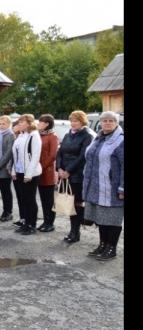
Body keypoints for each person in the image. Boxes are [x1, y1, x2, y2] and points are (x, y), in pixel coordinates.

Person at [82, 111, 124, 261]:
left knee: (112, 219)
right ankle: (103, 245)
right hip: (96, 187)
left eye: (111, 120)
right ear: (100, 122)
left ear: (116, 123)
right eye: (105, 120)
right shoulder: (98, 138)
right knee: (101, 218)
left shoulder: (121, 140)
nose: (107, 123)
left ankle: (111, 249)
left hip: (112, 189)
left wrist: (122, 188)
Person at [56, 110, 94, 244]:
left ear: (82, 122)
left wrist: (69, 170)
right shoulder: (67, 135)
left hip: (77, 175)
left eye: (76, 121)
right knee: (69, 203)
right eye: (71, 121)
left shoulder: (87, 136)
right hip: (64, 174)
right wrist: (59, 168)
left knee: (77, 202)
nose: (73, 123)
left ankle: (75, 231)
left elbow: (83, 156)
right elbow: (60, 153)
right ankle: (73, 231)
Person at [11, 114, 42, 236]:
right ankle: (26, 222)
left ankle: (32, 224)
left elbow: (35, 157)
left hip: (30, 173)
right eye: (19, 122)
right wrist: (14, 171)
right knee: (22, 198)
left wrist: (28, 174)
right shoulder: (20, 136)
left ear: (29, 124)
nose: (19, 124)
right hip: (19, 171)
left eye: (22, 122)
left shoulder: (34, 136)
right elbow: (16, 156)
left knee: (30, 199)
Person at [37, 114, 58, 232]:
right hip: (39, 172)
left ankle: (50, 222)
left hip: (48, 172)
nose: (38, 124)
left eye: (41, 122)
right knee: (43, 198)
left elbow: (52, 155)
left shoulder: (53, 137)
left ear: (47, 124)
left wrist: (41, 166)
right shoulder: (39, 135)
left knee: (49, 199)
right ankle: (45, 221)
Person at [0, 115, 16, 223]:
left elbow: (9, 152)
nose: (1, 126)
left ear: (9, 124)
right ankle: (5, 211)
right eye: (0, 124)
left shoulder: (10, 135)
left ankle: (8, 211)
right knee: (2, 189)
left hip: (5, 166)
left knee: (6, 190)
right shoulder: (0, 134)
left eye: (4, 124)